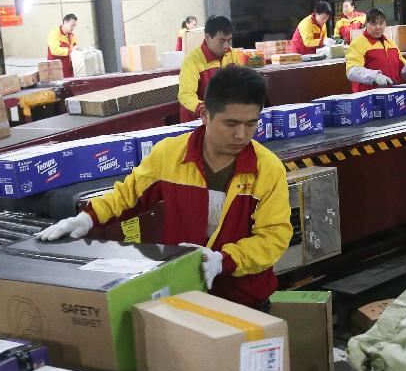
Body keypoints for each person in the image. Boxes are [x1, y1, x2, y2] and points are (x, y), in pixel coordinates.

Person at [38, 66, 292, 309]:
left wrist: (224, 261)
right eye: (231, 124)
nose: (241, 135)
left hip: (244, 301)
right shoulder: (169, 155)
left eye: (251, 124)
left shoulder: (267, 170)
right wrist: (87, 218)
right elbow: (128, 196)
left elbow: (273, 237)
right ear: (204, 114)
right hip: (184, 295)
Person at [346, 8, 406, 93]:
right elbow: (352, 71)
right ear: (366, 24)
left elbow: (403, 67)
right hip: (368, 101)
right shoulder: (357, 44)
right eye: (373, 24)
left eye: (381, 24)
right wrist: (375, 77)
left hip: (393, 97)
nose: (378, 27)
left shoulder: (390, 43)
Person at [178, 15, 243, 123]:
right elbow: (186, 95)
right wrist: (205, 109)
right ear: (208, 37)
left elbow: (240, 84)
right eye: (222, 41)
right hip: (197, 122)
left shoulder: (231, 55)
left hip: (223, 118)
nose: (226, 45)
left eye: (229, 40)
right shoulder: (192, 61)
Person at [47, 14, 79, 78]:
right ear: (65, 22)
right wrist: (70, 50)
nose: (73, 28)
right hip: (57, 72)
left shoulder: (72, 36)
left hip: (69, 71)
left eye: (74, 26)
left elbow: (76, 47)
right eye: (72, 25)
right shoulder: (54, 34)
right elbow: (54, 50)